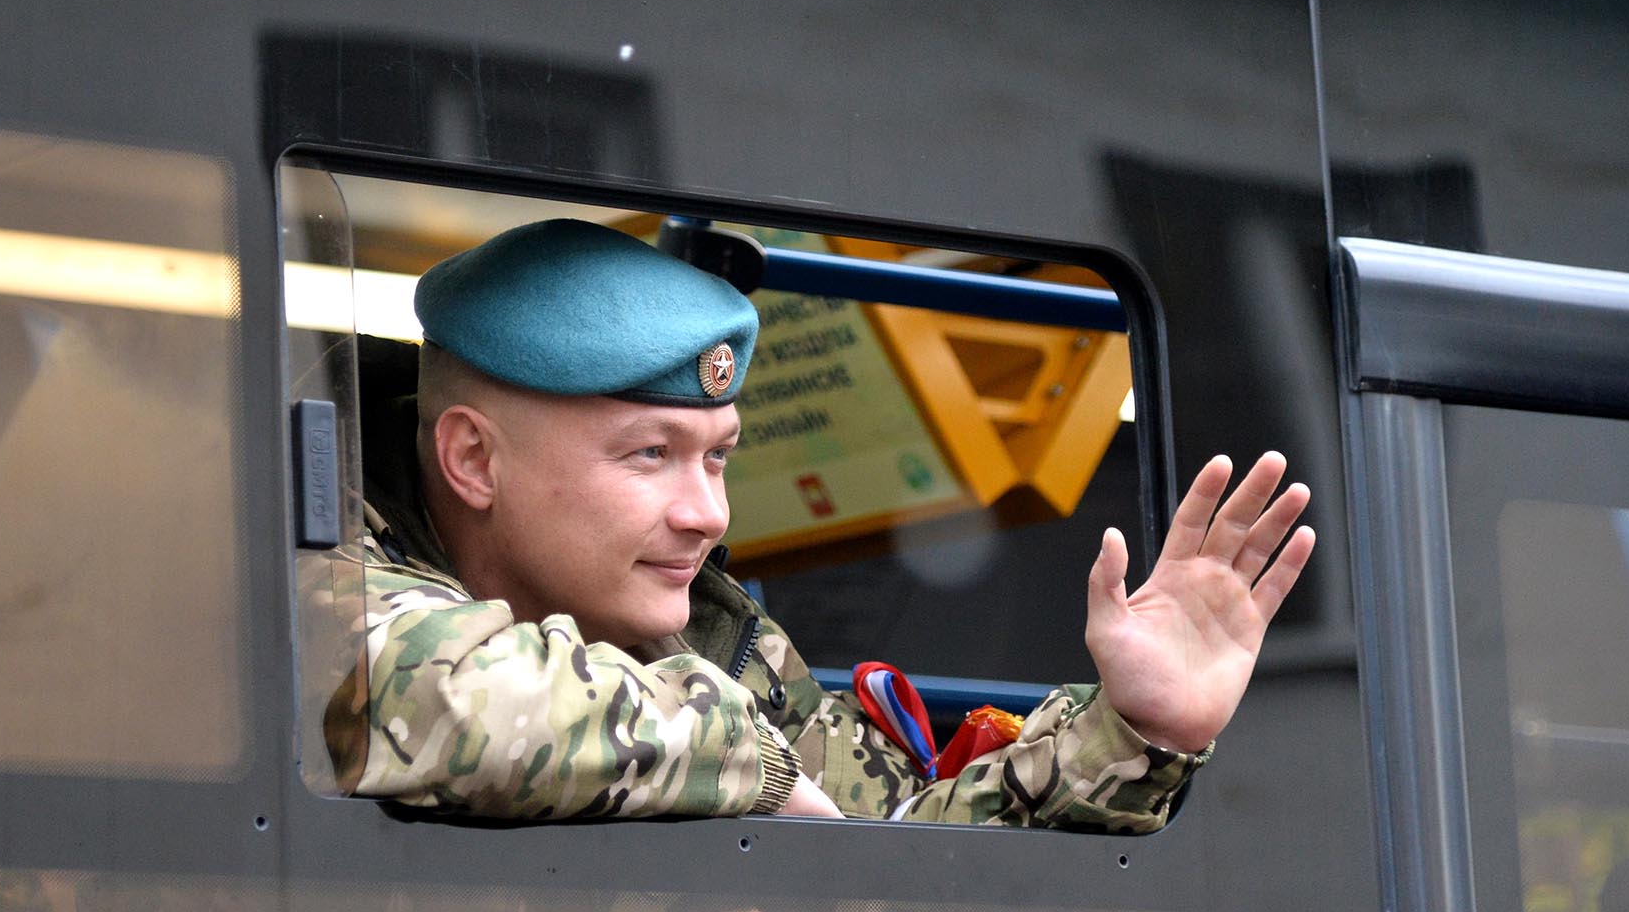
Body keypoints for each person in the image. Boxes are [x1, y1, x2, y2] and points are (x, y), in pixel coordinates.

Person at [324, 218, 1314, 828]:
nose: (706, 514)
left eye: (718, 455)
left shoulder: (716, 641)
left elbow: (895, 866)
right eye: (648, 454)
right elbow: (433, 694)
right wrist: (735, 756)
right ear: (471, 458)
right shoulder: (302, 536)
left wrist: (1134, 734)